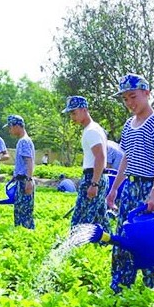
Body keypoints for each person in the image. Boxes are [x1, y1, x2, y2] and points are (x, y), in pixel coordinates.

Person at [106, 74, 154, 292]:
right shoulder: (129, 125)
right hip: (130, 189)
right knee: (123, 241)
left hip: (149, 188)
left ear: (147, 93)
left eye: (133, 96)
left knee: (150, 242)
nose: (129, 103)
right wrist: (114, 189)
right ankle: (120, 287)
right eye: (125, 99)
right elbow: (126, 159)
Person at [62, 96, 108, 229]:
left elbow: (100, 157)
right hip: (97, 176)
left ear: (84, 110)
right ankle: (109, 241)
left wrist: (94, 183)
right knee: (100, 220)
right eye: (70, 113)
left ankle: (76, 241)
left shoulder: (91, 131)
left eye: (74, 112)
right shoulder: (94, 128)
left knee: (80, 221)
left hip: (92, 177)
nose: (72, 117)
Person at [6, 114, 35, 229]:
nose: (9, 130)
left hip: (24, 181)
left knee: (24, 212)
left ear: (17, 126)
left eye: (10, 127)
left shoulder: (24, 141)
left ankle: (27, 233)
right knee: (19, 210)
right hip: (21, 180)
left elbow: (29, 161)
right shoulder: (23, 141)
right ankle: (22, 232)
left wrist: (28, 180)